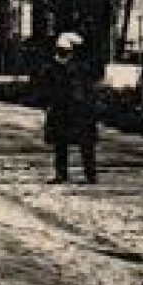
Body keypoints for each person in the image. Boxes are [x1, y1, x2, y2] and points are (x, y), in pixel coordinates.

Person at [42, 31, 100, 184]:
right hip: (66, 108)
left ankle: (89, 174)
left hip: (78, 109)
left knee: (83, 143)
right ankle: (65, 174)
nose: (61, 54)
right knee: (62, 142)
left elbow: (87, 88)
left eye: (65, 51)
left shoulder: (79, 67)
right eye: (60, 50)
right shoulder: (57, 66)